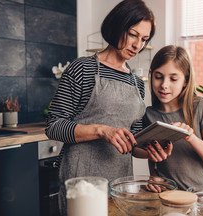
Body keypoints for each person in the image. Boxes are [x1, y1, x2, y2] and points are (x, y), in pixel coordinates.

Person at [45, 1, 170, 215]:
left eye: (144, 39)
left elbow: (132, 144)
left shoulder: (137, 84)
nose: (137, 45)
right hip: (82, 181)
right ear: (117, 26)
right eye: (133, 34)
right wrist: (102, 130)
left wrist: (152, 152)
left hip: (120, 184)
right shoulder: (82, 69)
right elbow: (53, 126)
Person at [145, 45, 203, 190]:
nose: (164, 85)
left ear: (185, 82)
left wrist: (191, 137)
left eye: (173, 79)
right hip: (168, 197)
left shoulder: (200, 106)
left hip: (201, 198)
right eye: (158, 77)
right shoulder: (149, 115)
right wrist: (154, 176)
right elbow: (153, 155)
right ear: (151, 76)